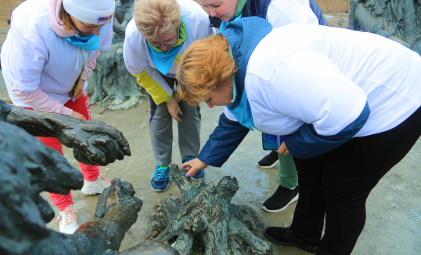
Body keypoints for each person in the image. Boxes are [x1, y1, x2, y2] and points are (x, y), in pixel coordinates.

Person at [177, 17, 421, 254]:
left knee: (342, 187)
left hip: (395, 99)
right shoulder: (235, 64)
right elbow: (232, 121)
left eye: (208, 99)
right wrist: (203, 159)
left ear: (221, 79)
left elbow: (349, 115)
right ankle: (305, 233)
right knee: (310, 167)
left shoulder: (270, 74)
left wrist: (296, 142)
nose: (210, 106)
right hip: (343, 101)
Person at [192, 0, 328, 213]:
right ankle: (277, 149)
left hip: (303, 65)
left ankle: (291, 183)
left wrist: (299, 134)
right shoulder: (222, 13)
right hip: (270, 64)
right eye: (205, 7)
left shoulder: (281, 5)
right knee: (257, 102)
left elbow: (310, 61)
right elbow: (237, 95)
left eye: (216, 5)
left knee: (281, 115)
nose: (211, 15)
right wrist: (205, 157)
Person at [0, 0, 115, 234]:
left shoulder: (100, 17)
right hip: (36, 95)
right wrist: (61, 112)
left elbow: (97, 48)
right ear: (67, 14)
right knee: (50, 151)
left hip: (72, 86)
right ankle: (64, 209)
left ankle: (92, 180)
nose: (97, 32)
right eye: (89, 26)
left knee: (86, 135)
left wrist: (82, 79)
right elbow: (24, 90)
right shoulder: (32, 26)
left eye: (102, 25)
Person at [123, 0, 215, 192]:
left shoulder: (198, 22)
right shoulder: (134, 37)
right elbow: (141, 72)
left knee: (190, 110)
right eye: (156, 44)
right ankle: (162, 164)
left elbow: (205, 61)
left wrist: (182, 94)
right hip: (154, 71)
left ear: (177, 26)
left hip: (192, 64)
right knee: (160, 113)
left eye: (168, 41)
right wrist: (167, 98)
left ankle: (190, 159)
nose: (164, 48)